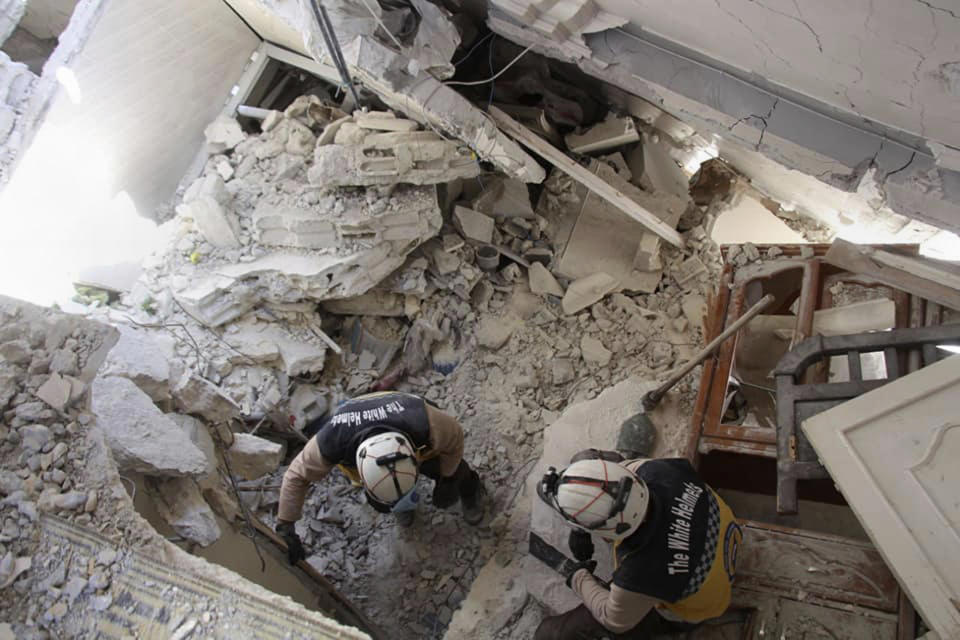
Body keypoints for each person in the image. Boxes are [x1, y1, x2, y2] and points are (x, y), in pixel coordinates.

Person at [534, 449, 742, 639]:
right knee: (583, 459)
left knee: (551, 634)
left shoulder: (640, 571)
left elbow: (613, 620)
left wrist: (578, 577)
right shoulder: (655, 470)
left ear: (607, 532)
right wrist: (580, 529)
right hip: (720, 539)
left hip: (698, 609)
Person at [275, 391, 486, 564]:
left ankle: (470, 488)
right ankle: (401, 505)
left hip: (406, 424)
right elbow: (295, 476)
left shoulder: (427, 423)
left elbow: (455, 440)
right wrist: (286, 525)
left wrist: (448, 479)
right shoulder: (331, 440)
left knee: (450, 469)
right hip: (361, 436)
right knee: (387, 499)